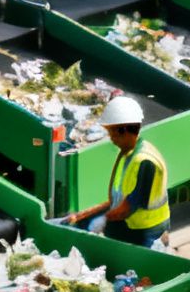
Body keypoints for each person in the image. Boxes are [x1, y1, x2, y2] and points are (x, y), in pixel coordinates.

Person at [63, 94, 170, 248]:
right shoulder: (128, 154)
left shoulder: (144, 162)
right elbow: (116, 201)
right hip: (131, 228)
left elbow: (126, 208)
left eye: (113, 133)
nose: (111, 139)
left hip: (143, 233)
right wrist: (83, 215)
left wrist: (98, 223)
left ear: (125, 130)